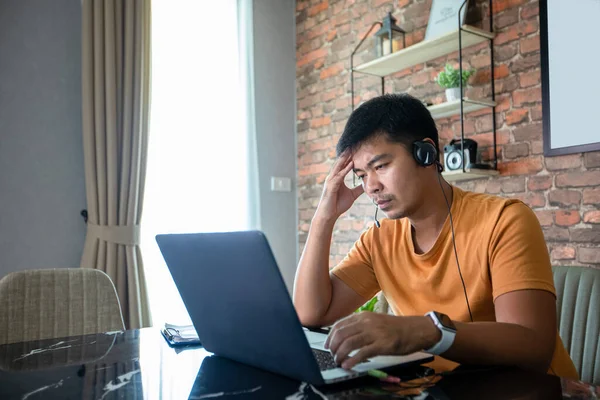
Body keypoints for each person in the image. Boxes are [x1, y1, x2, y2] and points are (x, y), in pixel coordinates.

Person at [292, 93, 578, 379]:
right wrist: (324, 216)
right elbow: (311, 313)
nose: (371, 186)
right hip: (441, 390)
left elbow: (533, 348)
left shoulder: (505, 221)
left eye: (380, 166)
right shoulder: (378, 241)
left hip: (527, 390)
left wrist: (427, 331)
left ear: (425, 154)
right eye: (362, 175)